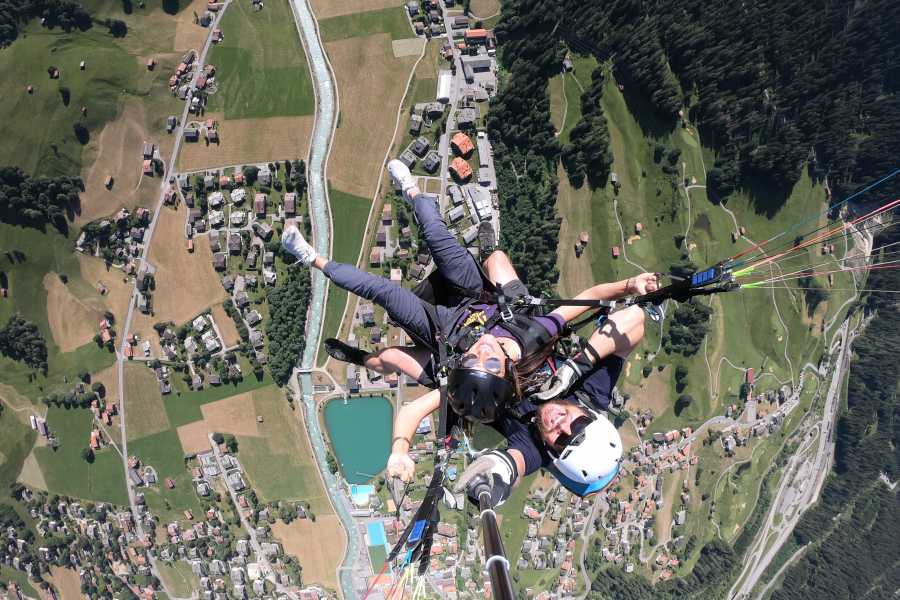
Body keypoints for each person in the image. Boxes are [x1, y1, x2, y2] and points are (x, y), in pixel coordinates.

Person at [282, 159, 659, 423]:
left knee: (388, 342)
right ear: (508, 368)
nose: (482, 352)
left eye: (474, 360)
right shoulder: (534, 337)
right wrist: (629, 285)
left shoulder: (462, 371)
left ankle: (316, 267)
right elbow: (589, 297)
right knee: (438, 233)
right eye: (491, 360)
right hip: (479, 299)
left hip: (445, 329)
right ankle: (412, 190)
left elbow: (421, 410)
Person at [386, 323, 631, 503]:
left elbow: (513, 464)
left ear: (552, 454)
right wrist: (578, 366)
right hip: (510, 338)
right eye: (578, 427)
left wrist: (496, 478)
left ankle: (353, 353)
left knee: (391, 357)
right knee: (497, 261)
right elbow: (632, 325)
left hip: (472, 379)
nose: (562, 425)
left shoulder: (535, 449)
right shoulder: (588, 395)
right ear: (591, 415)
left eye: (563, 441)